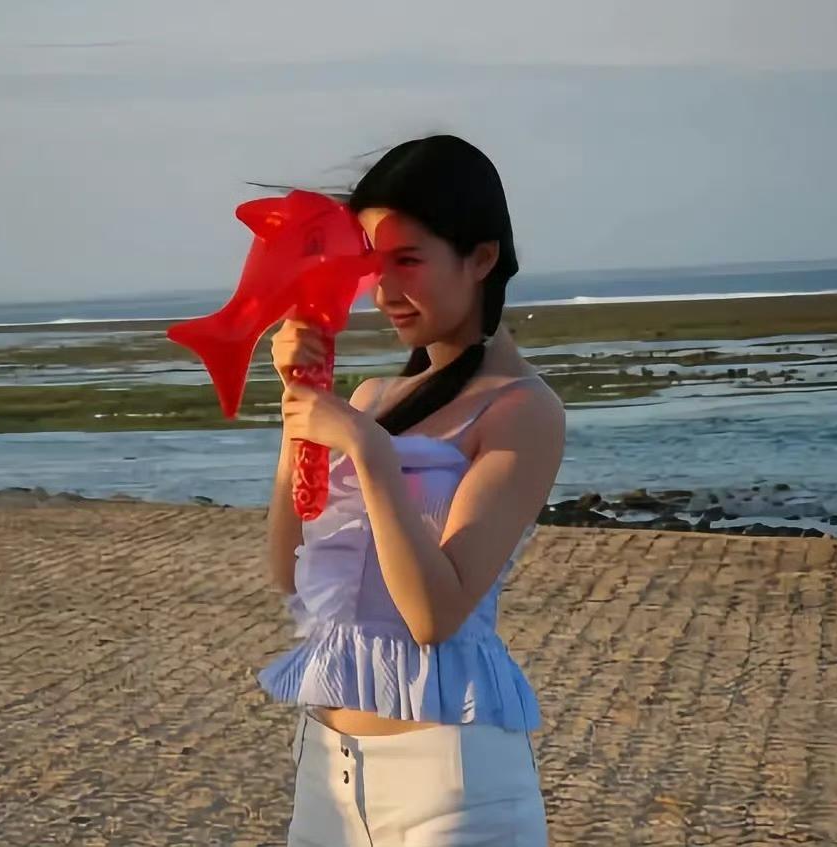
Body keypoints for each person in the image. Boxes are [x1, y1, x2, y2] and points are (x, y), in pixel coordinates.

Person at [257, 134, 565, 846]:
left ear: (480, 258)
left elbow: (434, 615)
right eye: (374, 264)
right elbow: (289, 575)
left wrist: (368, 451)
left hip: (453, 789)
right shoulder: (372, 395)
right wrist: (301, 405)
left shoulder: (522, 410)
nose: (384, 291)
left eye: (408, 261)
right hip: (326, 779)